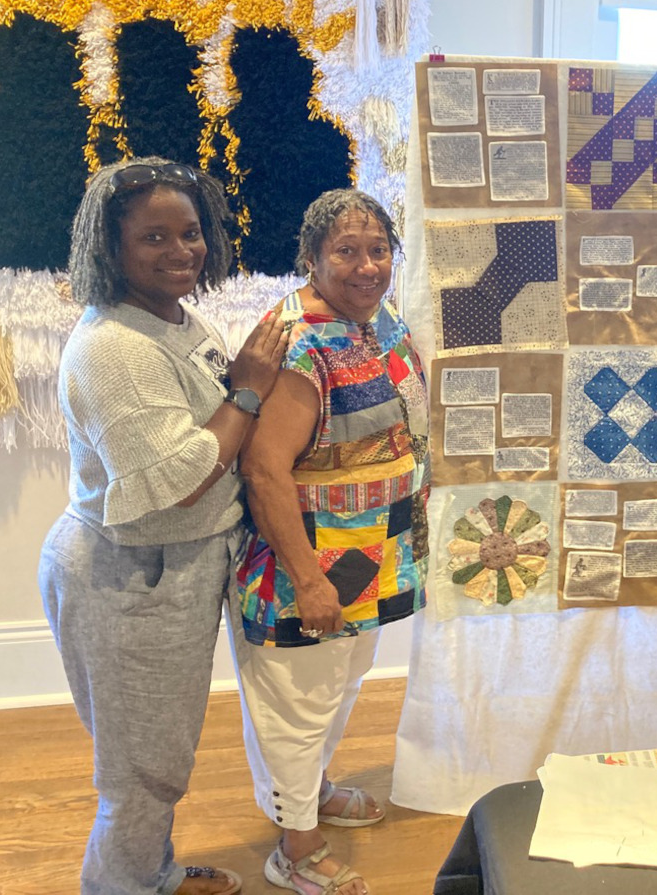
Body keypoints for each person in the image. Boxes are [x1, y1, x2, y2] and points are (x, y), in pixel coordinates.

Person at [38, 157, 286, 895]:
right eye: (154, 237)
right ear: (108, 248)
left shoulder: (174, 316)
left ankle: (152, 869)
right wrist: (248, 385)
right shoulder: (112, 347)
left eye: (190, 232)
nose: (182, 251)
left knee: (159, 748)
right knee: (141, 765)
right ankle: (124, 883)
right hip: (128, 575)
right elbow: (179, 479)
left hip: (171, 567)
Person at [228, 188, 430, 895]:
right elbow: (263, 467)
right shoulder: (301, 341)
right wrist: (308, 578)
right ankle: (296, 843)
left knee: (337, 688)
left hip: (372, 557)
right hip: (306, 565)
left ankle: (309, 789)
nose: (367, 265)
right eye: (346, 250)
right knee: (297, 702)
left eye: (378, 249)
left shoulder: (379, 321)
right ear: (311, 258)